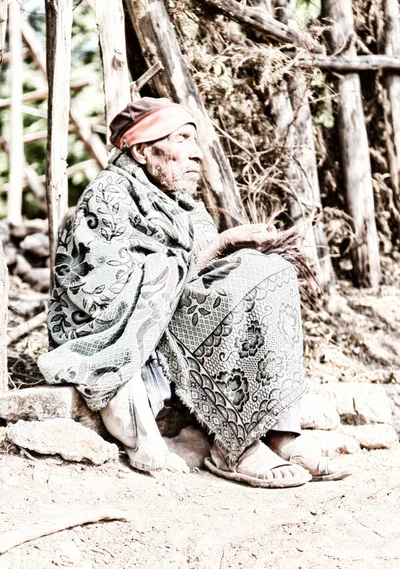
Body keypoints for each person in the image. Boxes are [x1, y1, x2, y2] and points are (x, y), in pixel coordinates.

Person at [38, 97, 351, 487]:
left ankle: (280, 432)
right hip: (125, 331)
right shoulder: (108, 197)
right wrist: (218, 248)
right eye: (182, 139)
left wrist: (236, 251)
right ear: (140, 150)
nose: (196, 154)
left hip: (168, 314)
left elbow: (203, 267)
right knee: (243, 277)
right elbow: (107, 294)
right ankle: (234, 444)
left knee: (270, 271)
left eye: (194, 141)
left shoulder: (180, 202)